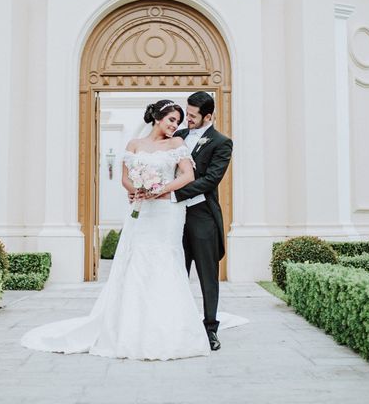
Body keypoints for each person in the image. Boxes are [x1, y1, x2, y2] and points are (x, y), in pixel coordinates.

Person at [21, 100, 211, 360]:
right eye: (171, 120)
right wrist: (137, 191)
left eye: (177, 122)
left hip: (168, 211)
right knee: (138, 260)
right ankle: (131, 327)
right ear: (157, 118)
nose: (174, 126)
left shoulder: (177, 145)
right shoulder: (134, 145)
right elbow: (125, 178)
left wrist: (161, 189)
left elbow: (188, 176)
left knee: (166, 259)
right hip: (143, 212)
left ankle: (171, 329)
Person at [172, 91, 232, 351]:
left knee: (208, 276)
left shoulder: (221, 142)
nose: (188, 120)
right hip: (174, 219)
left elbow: (211, 180)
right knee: (175, 273)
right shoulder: (178, 137)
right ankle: (177, 325)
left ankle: (210, 329)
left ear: (208, 116)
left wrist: (172, 193)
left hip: (203, 217)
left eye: (194, 116)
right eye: (187, 114)